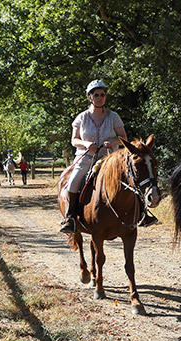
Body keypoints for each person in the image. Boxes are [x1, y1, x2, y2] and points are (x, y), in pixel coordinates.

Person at [60, 80, 128, 233]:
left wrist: (111, 142)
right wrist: (86, 144)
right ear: (90, 97)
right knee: (73, 184)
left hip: (109, 160)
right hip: (86, 159)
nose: (100, 98)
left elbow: (124, 138)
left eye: (102, 95)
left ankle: (141, 213)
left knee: (131, 179)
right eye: (96, 95)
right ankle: (70, 218)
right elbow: (74, 140)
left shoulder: (114, 117)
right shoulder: (81, 118)